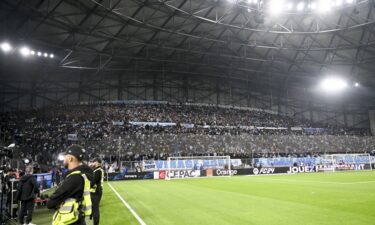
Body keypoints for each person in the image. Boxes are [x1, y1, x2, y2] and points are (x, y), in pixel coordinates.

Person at [47, 145, 93, 225]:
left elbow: (50, 203)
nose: (63, 159)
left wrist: (57, 202)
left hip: (71, 221)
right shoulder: (82, 174)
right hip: (78, 219)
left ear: (70, 158)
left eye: (65, 156)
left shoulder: (75, 177)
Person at [89, 158, 104, 225]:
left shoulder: (98, 171)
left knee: (95, 209)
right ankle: (92, 219)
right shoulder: (96, 170)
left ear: (97, 162)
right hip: (95, 191)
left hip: (96, 192)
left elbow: (92, 183)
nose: (92, 163)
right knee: (93, 208)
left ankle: (96, 223)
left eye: (93, 162)